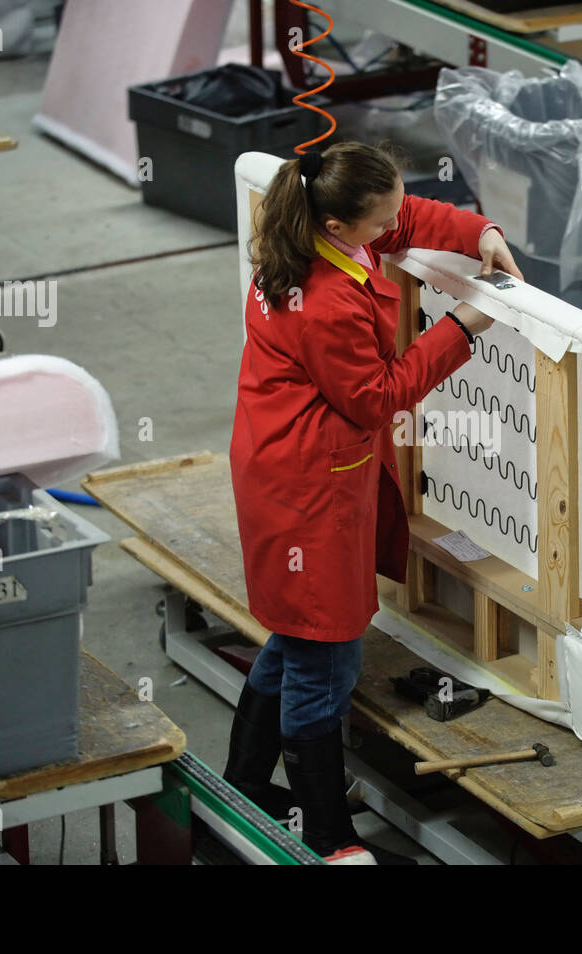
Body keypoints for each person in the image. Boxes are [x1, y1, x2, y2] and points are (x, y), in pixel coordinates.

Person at [226, 141, 522, 864]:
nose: (396, 223)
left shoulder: (307, 235)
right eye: (382, 214)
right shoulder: (325, 304)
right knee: (326, 657)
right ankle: (327, 837)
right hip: (307, 492)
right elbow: (378, 396)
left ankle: (241, 787)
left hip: (285, 468)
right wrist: (464, 327)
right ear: (339, 224)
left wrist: (477, 233)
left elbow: (407, 217)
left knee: (296, 637)